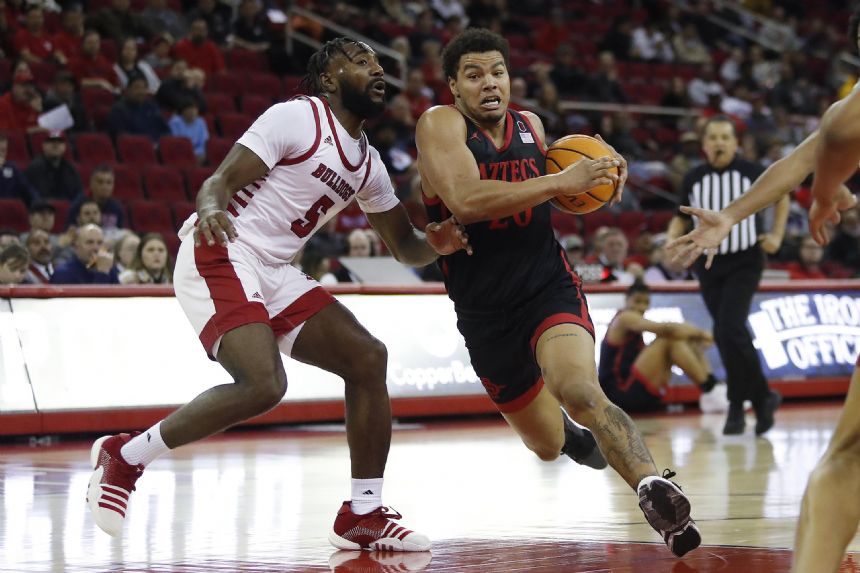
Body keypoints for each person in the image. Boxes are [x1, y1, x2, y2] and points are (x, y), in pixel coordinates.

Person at [86, 37, 471, 553]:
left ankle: (363, 512)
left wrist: (437, 245)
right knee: (264, 384)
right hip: (222, 247)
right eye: (361, 62)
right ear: (330, 79)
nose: (377, 70)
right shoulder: (298, 118)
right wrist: (211, 210)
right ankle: (125, 456)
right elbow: (218, 182)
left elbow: (405, 246)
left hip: (274, 268)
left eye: (379, 64)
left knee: (367, 358)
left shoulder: (369, 163)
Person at [415, 28, 700, 558]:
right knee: (545, 444)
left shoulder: (532, 125)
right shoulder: (439, 124)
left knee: (581, 391)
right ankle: (572, 441)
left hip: (547, 287)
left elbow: (571, 180)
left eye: (497, 71)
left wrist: (603, 173)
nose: (489, 83)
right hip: (484, 312)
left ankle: (654, 488)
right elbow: (468, 199)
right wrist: (561, 182)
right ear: (453, 86)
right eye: (474, 75)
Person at [665, 115, 787, 436]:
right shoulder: (693, 177)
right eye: (714, 137)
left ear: (735, 143)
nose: (719, 142)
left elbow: (782, 195)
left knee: (730, 326)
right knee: (724, 332)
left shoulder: (751, 172)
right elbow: (680, 216)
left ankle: (737, 403)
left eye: (725, 137)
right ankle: (762, 398)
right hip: (708, 263)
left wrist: (775, 235)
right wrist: (670, 240)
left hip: (745, 259)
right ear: (704, 145)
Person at [599, 280, 720, 413]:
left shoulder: (636, 329)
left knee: (686, 340)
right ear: (626, 300)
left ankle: (711, 391)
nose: (641, 307)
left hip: (636, 394)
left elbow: (674, 330)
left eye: (646, 303)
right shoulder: (624, 318)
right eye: (637, 301)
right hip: (619, 395)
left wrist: (696, 337)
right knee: (668, 339)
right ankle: (710, 390)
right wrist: (702, 334)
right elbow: (667, 329)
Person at [50, 223, 119, 284]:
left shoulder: (108, 268)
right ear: (76, 247)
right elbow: (89, 298)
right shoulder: (64, 273)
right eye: (89, 242)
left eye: (99, 243)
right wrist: (102, 275)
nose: (96, 248)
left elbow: (120, 297)